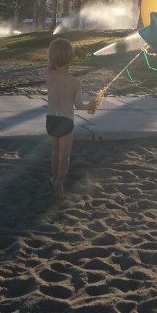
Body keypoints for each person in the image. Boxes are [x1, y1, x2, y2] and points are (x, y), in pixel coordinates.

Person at [45, 37, 97, 198]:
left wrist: (57, 56)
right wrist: (90, 106)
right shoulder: (75, 82)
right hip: (66, 121)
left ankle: (54, 178)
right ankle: (60, 182)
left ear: (52, 57)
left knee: (55, 152)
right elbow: (79, 105)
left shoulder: (50, 75)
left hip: (51, 120)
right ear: (71, 58)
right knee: (65, 157)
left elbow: (50, 63)